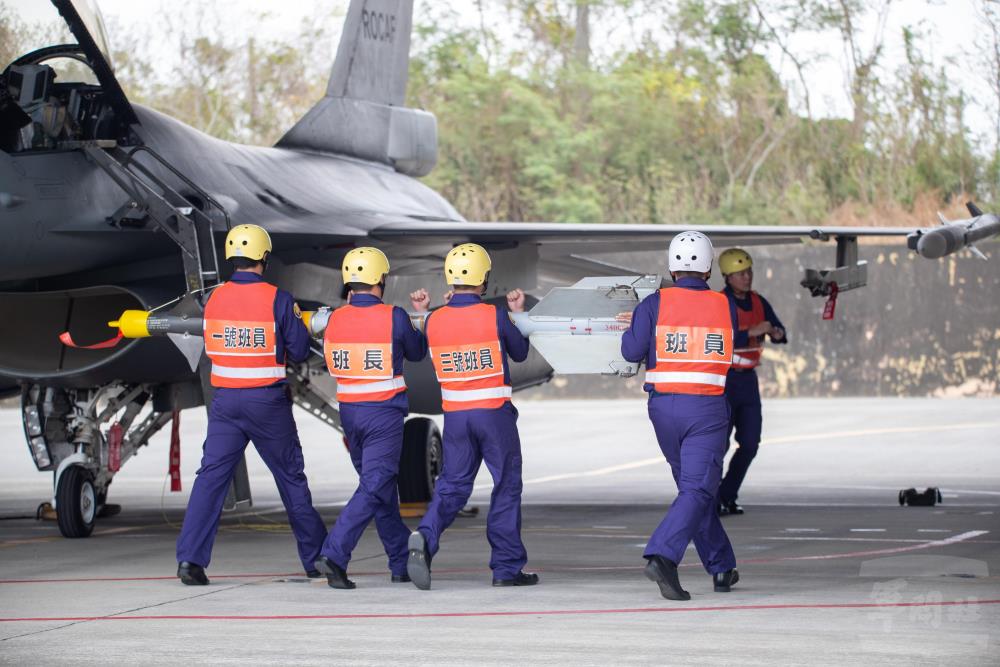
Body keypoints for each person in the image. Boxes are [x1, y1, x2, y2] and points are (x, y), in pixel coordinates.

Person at [176, 224, 327, 585]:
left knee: (211, 478)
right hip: (266, 401)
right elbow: (300, 349)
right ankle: (317, 558)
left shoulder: (214, 300)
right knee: (290, 478)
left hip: (225, 403)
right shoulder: (278, 299)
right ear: (264, 257)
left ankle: (190, 561)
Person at [406, 243, 538, 590]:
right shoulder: (494, 316)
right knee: (506, 485)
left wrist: (420, 311)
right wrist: (517, 312)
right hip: (493, 415)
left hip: (456, 417)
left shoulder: (435, 319)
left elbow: (419, 346)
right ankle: (507, 568)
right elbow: (521, 353)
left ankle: (425, 536)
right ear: (484, 278)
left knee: (452, 487)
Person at [619, 231, 739, 600]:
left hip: (663, 410)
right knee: (699, 488)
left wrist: (636, 323)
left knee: (693, 491)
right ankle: (663, 555)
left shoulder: (653, 304)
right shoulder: (725, 304)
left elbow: (630, 352)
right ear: (707, 267)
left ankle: (721, 566)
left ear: (672, 268)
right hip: (705, 408)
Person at [312, 247, 429, 588]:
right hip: (383, 414)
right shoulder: (393, 316)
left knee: (378, 490)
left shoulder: (334, 319)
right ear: (381, 279)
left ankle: (399, 561)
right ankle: (334, 553)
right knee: (375, 485)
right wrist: (419, 315)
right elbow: (418, 352)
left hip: (350, 413)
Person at [717, 248, 787, 516]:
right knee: (719, 445)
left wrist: (776, 332)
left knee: (749, 443)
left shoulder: (759, 301)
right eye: (740, 274)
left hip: (747, 382)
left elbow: (778, 330)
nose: (747, 278)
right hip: (724, 381)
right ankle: (709, 499)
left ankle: (727, 494)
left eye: (749, 272)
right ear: (727, 277)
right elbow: (721, 337)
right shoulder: (720, 303)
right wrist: (751, 332)